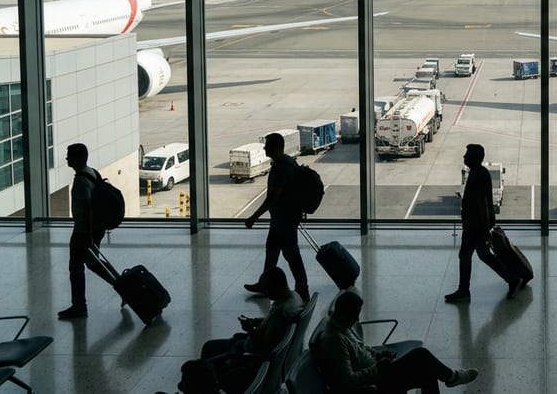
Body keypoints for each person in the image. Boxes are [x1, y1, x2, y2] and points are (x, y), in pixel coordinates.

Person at [313, 287, 479, 393]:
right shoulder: (335, 341)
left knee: (427, 373)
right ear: (342, 314)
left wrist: (377, 354)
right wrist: (377, 368)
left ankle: (452, 377)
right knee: (421, 356)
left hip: (377, 369)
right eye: (354, 315)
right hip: (374, 382)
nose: (357, 319)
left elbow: (361, 350)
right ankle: (452, 377)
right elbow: (346, 382)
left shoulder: (343, 325)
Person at [444, 143, 524, 302]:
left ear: (474, 158)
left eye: (467, 155)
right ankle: (511, 279)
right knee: (484, 255)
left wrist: (484, 228)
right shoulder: (480, 173)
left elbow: (481, 204)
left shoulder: (477, 176)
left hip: (474, 226)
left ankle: (464, 290)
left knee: (465, 255)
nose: (464, 157)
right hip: (477, 225)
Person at [202, 266, 303, 390]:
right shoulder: (293, 297)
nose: (263, 292)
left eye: (265, 288)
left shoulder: (281, 313)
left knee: (205, 359)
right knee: (215, 346)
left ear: (275, 287)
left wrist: (250, 329)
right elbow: (272, 326)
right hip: (249, 347)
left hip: (251, 357)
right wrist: (255, 321)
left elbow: (264, 347)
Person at [244, 132, 309, 303]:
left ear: (276, 147)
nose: (264, 148)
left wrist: (254, 217)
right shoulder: (288, 162)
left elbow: (273, 198)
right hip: (283, 218)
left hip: (284, 220)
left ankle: (302, 287)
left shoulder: (281, 167)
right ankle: (265, 284)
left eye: (267, 145)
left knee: (291, 254)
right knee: (272, 249)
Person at [58, 143, 114, 319]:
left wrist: (86, 236)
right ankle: (122, 287)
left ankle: (79, 305)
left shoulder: (81, 181)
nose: (67, 158)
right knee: (91, 262)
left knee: (76, 267)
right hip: (95, 229)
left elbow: (86, 210)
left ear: (77, 158)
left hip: (83, 232)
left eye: (69, 155)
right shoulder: (92, 172)